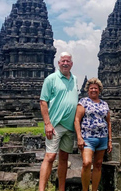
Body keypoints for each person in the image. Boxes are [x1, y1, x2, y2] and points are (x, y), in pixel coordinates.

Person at [39, 52, 78, 191]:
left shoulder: (75, 79)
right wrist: (47, 124)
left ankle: (61, 189)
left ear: (71, 64)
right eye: (63, 61)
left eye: (68, 61)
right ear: (58, 63)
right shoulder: (50, 79)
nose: (65, 63)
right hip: (55, 125)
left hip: (69, 127)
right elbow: (43, 102)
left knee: (63, 158)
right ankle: (41, 189)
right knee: (50, 157)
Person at [74, 78, 112, 191]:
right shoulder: (83, 102)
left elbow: (108, 122)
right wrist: (79, 137)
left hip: (102, 138)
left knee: (98, 164)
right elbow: (76, 120)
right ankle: (85, 189)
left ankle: (94, 189)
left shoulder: (104, 104)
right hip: (87, 137)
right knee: (86, 163)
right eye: (91, 88)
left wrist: (110, 140)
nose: (93, 90)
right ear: (88, 90)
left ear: (99, 90)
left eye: (96, 88)